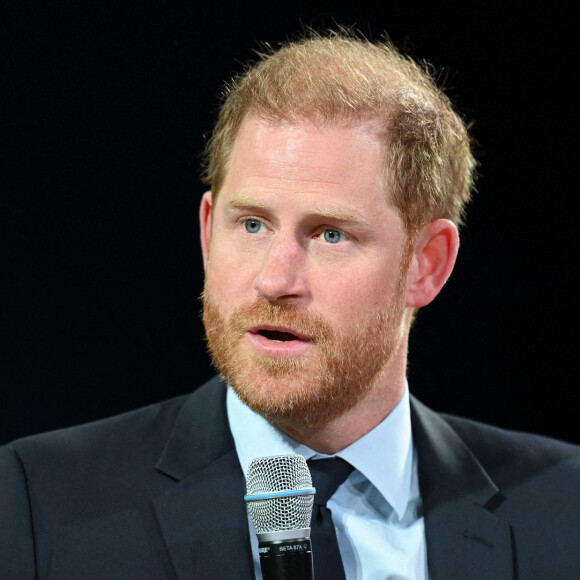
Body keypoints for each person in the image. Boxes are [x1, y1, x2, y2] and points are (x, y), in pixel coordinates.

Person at [1, 30, 578, 580]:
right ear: (207, 233)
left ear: (426, 263)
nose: (275, 280)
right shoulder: (36, 501)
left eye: (330, 234)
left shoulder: (564, 508)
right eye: (252, 224)